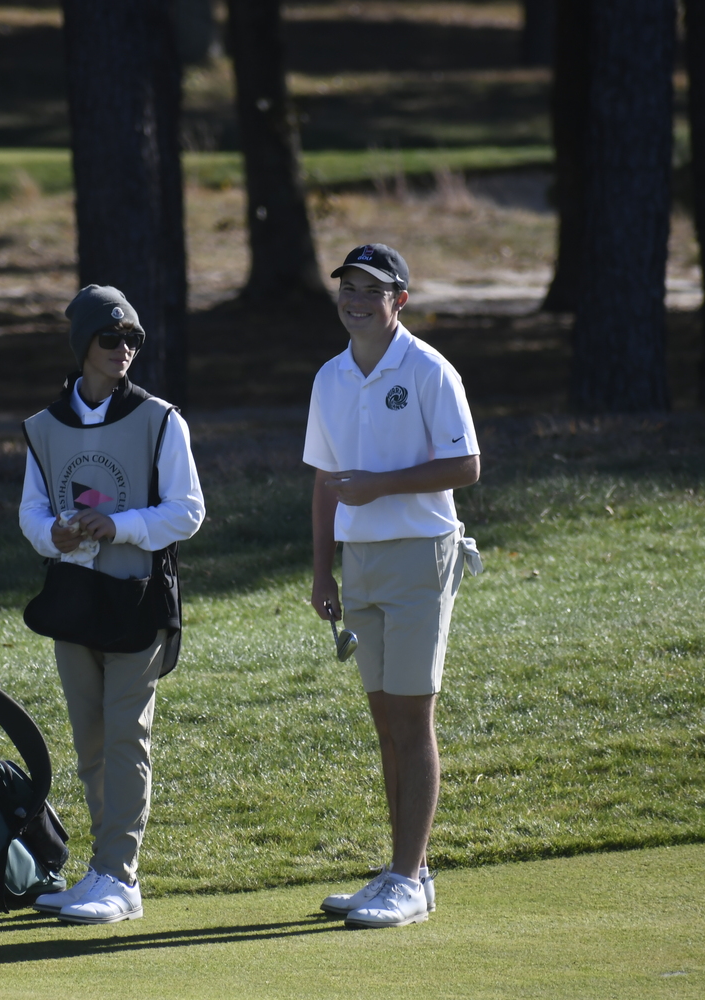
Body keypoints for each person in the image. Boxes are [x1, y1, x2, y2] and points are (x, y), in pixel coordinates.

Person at [304, 244, 482, 929]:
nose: (354, 300)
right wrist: (323, 571)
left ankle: (407, 878)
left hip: (419, 556)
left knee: (413, 720)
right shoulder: (330, 377)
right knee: (386, 725)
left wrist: (380, 486)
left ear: (399, 300)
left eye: (370, 290)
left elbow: (466, 464)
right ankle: (409, 871)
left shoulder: (430, 369)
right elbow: (323, 480)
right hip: (361, 561)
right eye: (346, 287)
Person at [18, 284, 206, 924]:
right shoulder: (43, 428)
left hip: (138, 601)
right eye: (111, 338)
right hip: (74, 599)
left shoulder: (161, 419)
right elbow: (32, 512)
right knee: (92, 742)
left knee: (127, 738)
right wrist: (56, 534)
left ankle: (120, 878)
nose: (124, 349)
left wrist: (117, 526)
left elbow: (188, 513)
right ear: (83, 347)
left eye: (133, 340)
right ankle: (102, 870)